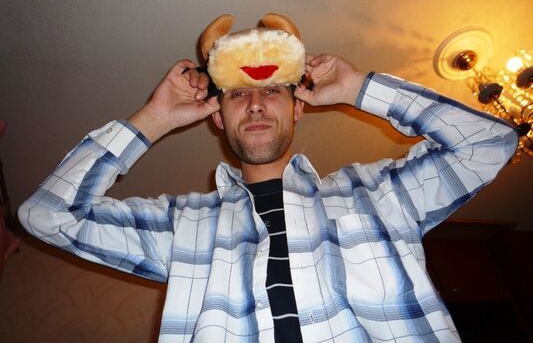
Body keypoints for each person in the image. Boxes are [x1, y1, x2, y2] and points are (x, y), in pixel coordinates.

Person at [18, 54, 518, 343]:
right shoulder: (180, 224)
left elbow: (490, 142)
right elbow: (47, 215)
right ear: (217, 117)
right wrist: (153, 119)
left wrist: (359, 88)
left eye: (273, 90)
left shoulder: (381, 193)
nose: (255, 103)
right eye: (237, 94)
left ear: (297, 108)